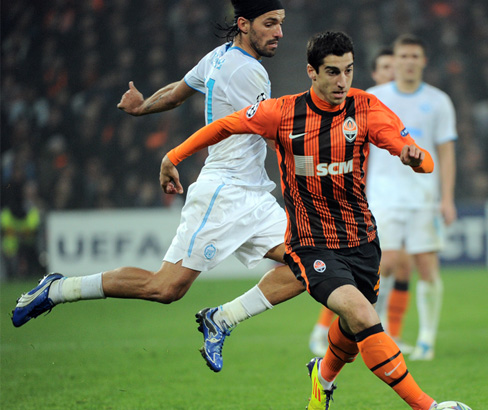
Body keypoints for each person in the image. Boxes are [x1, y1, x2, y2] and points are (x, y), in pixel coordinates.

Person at [12, 0, 305, 373]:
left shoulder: (219, 56)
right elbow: (268, 130)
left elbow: (179, 89)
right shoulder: (248, 73)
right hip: (224, 194)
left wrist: (142, 107)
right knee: (165, 288)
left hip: (253, 195)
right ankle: (56, 289)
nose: (279, 32)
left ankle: (222, 319)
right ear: (244, 24)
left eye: (280, 23)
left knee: (309, 263)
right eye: (270, 23)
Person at [160, 30, 438, 410]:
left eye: (349, 71)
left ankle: (321, 378)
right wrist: (173, 156)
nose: (342, 81)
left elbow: (425, 160)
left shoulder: (367, 108)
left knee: (354, 328)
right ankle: (429, 406)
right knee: (362, 314)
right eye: (332, 72)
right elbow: (225, 125)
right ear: (312, 72)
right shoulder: (283, 113)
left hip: (362, 240)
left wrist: (415, 158)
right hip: (311, 243)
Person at [308, 46, 404, 356]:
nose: (393, 72)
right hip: (366, 199)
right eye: (386, 67)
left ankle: (387, 331)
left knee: (396, 268)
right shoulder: (355, 101)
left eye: (396, 66)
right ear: (375, 74)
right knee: (370, 270)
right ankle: (324, 330)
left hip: (398, 196)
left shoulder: (397, 104)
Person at [367, 34, 458, 361]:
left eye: (413, 56)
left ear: (422, 61)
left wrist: (447, 198)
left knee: (427, 266)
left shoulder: (438, 101)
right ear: (397, 60)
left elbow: (446, 153)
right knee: (385, 264)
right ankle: (384, 333)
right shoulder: (374, 98)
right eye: (403, 55)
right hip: (382, 196)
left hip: (424, 197)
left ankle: (427, 341)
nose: (408, 61)